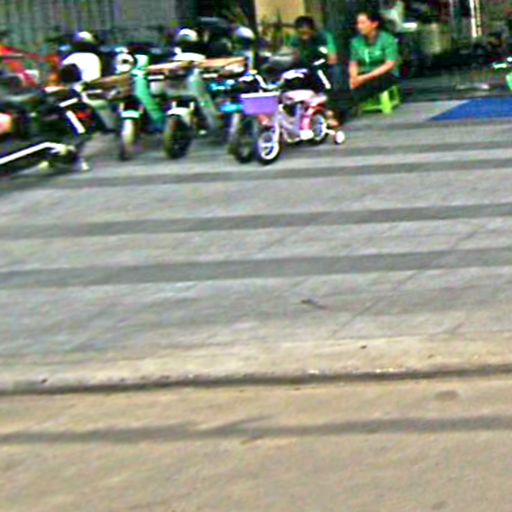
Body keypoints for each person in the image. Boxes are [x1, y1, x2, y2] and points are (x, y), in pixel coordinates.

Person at [330, 10, 399, 122]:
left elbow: (389, 64)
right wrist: (354, 78)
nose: (359, 26)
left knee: (366, 87)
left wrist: (363, 78)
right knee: (344, 83)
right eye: (358, 23)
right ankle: (333, 112)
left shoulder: (387, 39)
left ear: (374, 24)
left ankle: (337, 115)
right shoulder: (355, 41)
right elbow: (353, 63)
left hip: (384, 74)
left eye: (363, 23)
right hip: (362, 73)